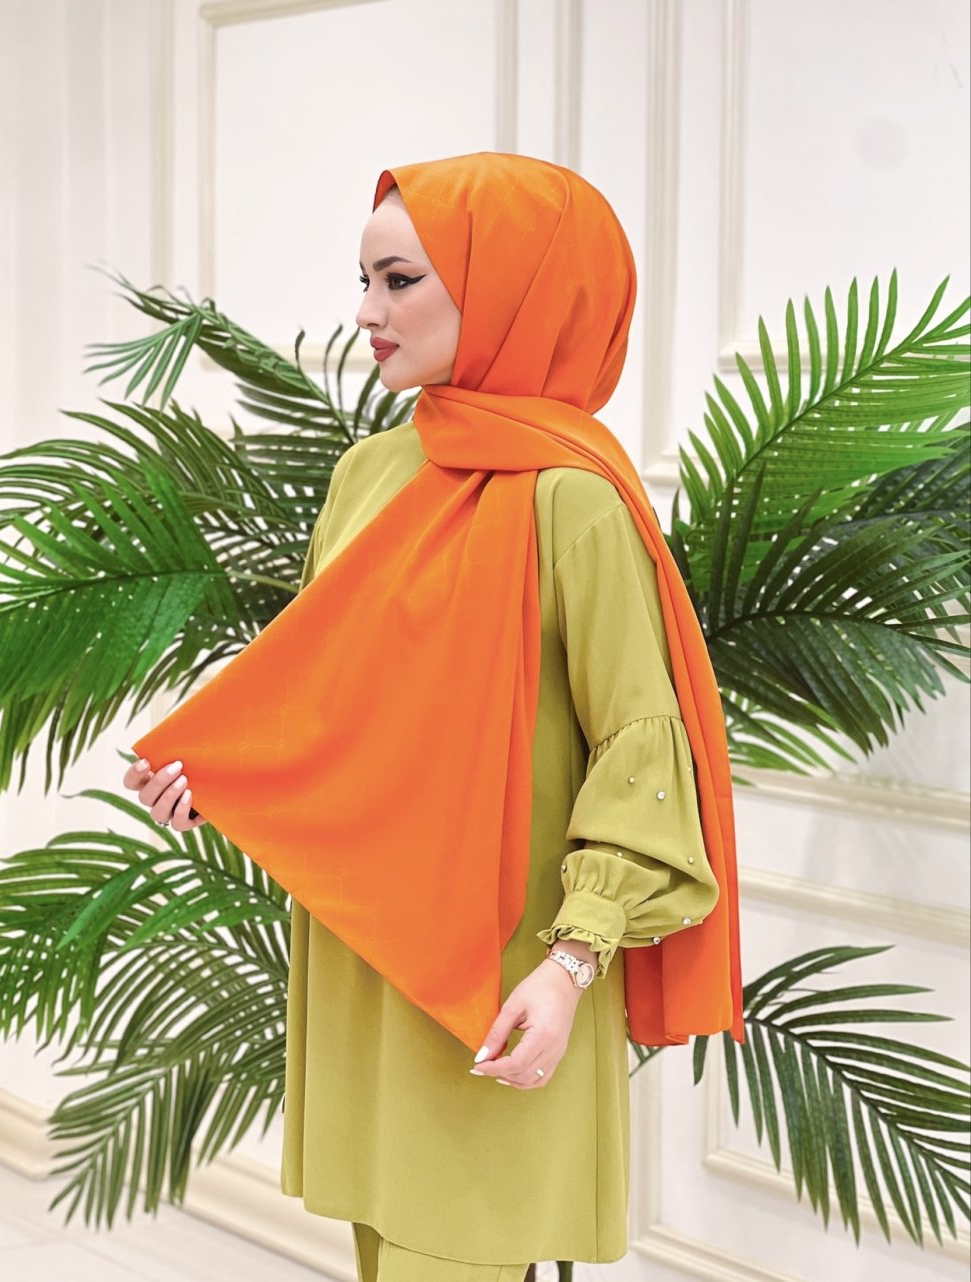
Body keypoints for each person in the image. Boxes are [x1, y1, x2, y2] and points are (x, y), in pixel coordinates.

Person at [123, 151, 743, 1282]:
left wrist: (571, 965)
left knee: (457, 1251)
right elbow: (334, 693)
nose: (365, 314)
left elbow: (637, 747)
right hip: (370, 950)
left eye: (400, 280)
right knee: (386, 1252)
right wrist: (224, 777)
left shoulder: (572, 498)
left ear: (510, 287)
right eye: (363, 281)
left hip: (507, 968)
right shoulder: (367, 473)